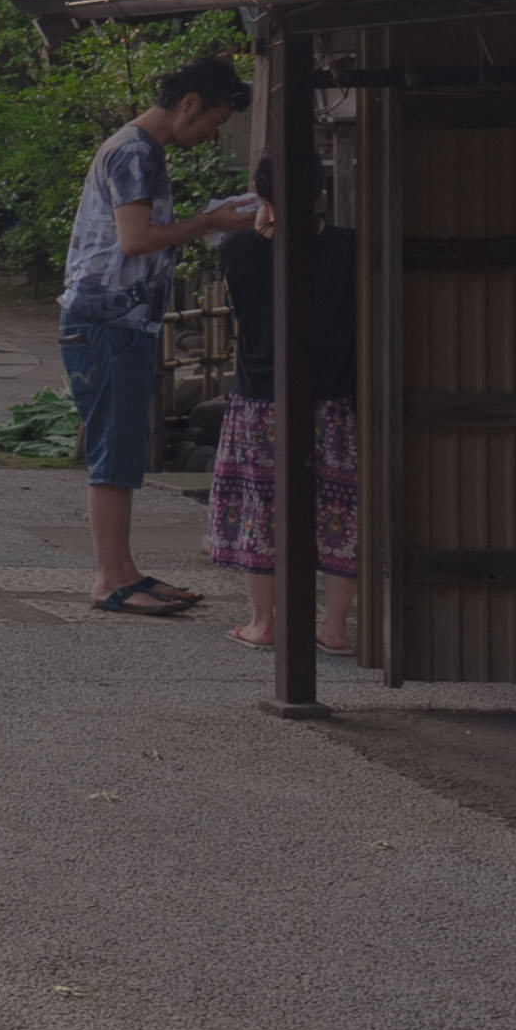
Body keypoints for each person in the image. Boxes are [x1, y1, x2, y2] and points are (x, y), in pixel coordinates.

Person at [61, 56, 250, 617]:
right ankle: (110, 579)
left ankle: (122, 571)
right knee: (113, 450)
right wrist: (211, 222)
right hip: (106, 321)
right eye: (213, 120)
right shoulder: (135, 151)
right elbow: (137, 239)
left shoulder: (138, 150)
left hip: (115, 320)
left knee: (120, 446)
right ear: (188, 103)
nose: (214, 132)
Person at [208, 167, 363, 653]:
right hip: (334, 398)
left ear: (258, 192)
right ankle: (334, 627)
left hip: (261, 399)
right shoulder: (349, 247)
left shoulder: (237, 250)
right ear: (321, 192)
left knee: (261, 506)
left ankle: (263, 623)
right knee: (339, 507)